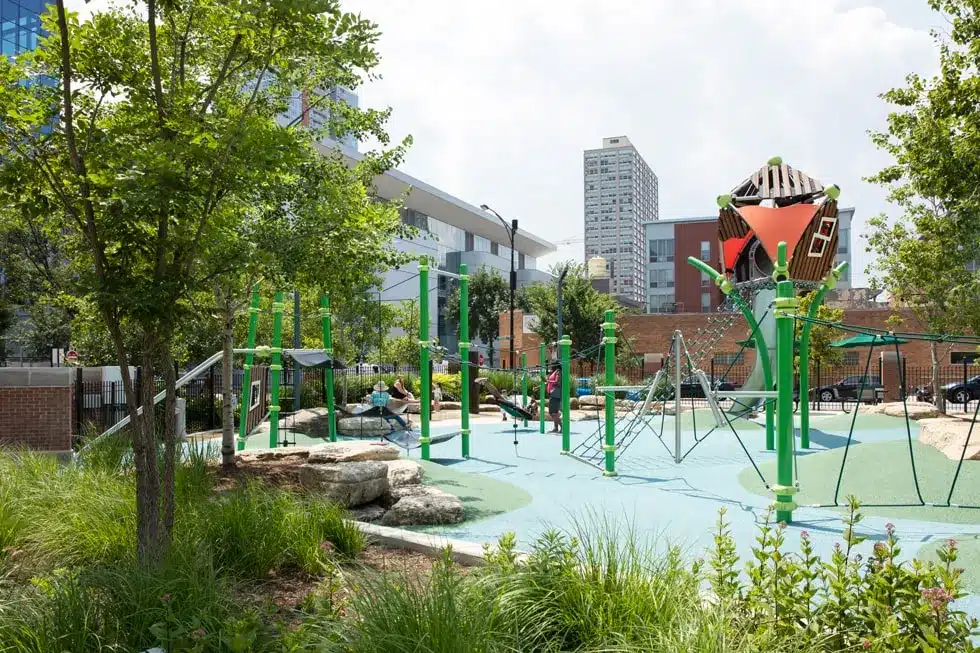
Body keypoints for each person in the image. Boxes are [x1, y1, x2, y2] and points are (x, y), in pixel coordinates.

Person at [547, 363, 562, 433]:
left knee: (552, 413)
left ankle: (562, 427)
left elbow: (557, 382)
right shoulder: (556, 372)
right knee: (554, 413)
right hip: (554, 394)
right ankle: (556, 428)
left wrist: (548, 381)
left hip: (555, 394)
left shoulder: (558, 371)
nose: (551, 366)